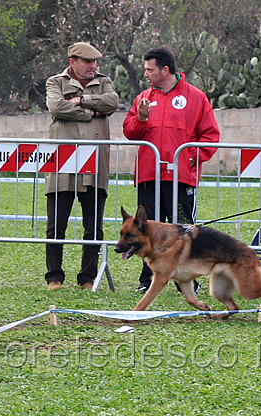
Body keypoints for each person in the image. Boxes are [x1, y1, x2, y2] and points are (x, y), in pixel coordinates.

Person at [123, 46, 220, 292]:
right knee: (146, 230)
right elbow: (129, 132)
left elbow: (210, 135)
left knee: (184, 229)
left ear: (164, 70)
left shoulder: (196, 97)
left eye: (149, 69)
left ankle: (187, 281)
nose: (145, 74)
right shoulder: (143, 98)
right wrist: (141, 119)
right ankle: (148, 281)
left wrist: (190, 158)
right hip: (149, 175)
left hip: (181, 177)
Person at [44, 42, 119, 291]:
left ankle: (88, 278)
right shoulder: (56, 82)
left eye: (95, 62)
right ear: (73, 62)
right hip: (62, 163)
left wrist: (82, 100)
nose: (93, 66)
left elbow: (111, 103)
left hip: (96, 163)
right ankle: (54, 277)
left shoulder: (104, 81)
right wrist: (90, 113)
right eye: (88, 62)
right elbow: (57, 106)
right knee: (56, 224)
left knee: (93, 225)